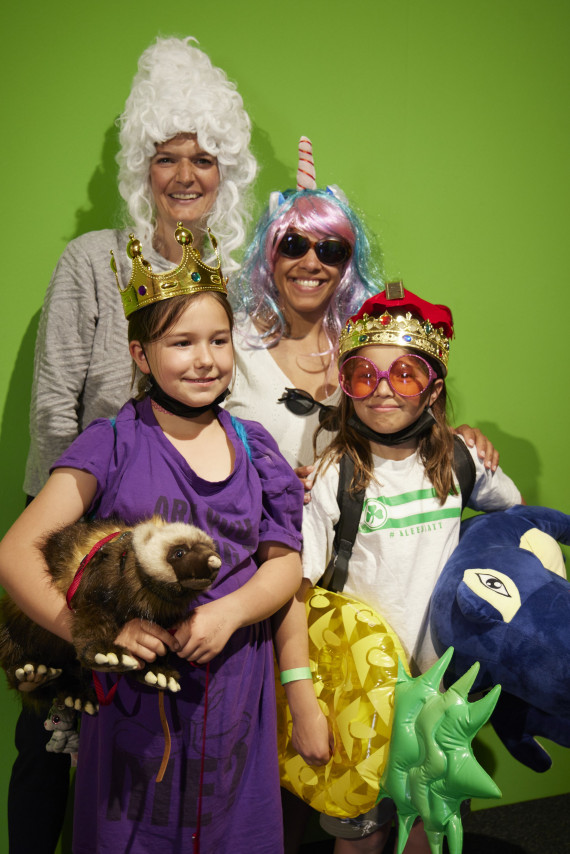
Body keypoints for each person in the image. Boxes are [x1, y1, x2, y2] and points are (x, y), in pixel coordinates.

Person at [13, 34, 256, 854]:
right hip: (91, 536)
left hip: (190, 551)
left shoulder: (239, 271)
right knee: (55, 738)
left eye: (204, 157)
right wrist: (60, 558)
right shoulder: (91, 262)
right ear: (140, 168)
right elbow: (54, 409)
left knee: (161, 745)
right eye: (167, 156)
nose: (187, 175)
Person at [0, 227, 305, 853]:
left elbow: (284, 564)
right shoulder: (111, 443)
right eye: (182, 342)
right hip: (136, 706)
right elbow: (15, 552)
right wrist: (99, 633)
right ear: (141, 356)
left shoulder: (257, 450)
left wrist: (230, 611)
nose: (205, 359)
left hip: (237, 698)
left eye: (219, 341)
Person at [283, 283, 522, 853]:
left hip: (438, 697)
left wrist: (469, 439)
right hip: (358, 702)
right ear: (346, 385)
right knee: (360, 837)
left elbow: (513, 520)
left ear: (433, 387)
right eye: (365, 374)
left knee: (426, 829)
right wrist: (300, 698)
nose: (384, 390)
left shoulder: (458, 463)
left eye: (406, 374)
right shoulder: (331, 477)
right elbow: (294, 593)